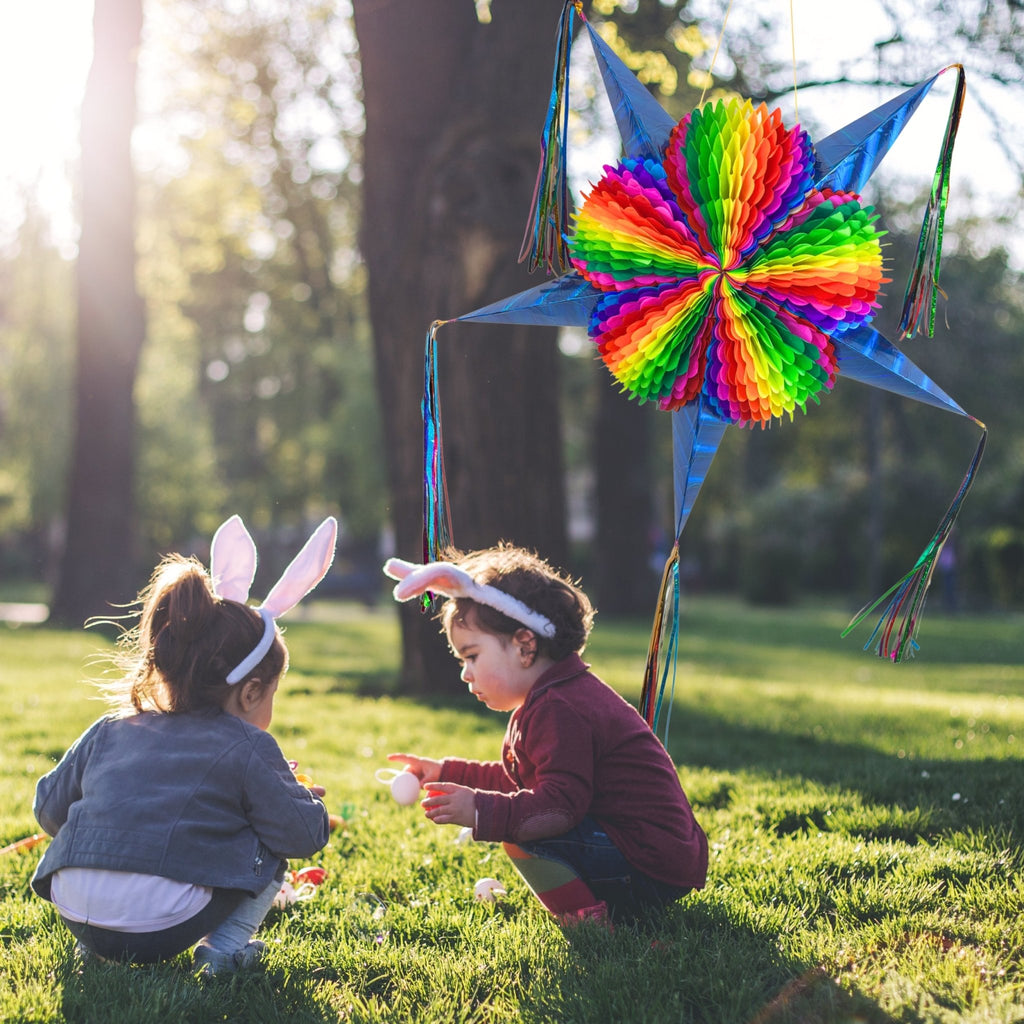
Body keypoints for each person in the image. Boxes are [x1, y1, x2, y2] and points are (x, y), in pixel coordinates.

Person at [31, 515, 337, 973]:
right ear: (251, 691)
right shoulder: (248, 744)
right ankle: (224, 950)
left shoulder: (111, 729)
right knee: (269, 839)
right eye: (271, 694)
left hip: (74, 909)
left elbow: (49, 810)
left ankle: (97, 945)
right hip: (165, 922)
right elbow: (298, 835)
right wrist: (299, 800)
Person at [383, 544, 708, 928]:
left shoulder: (561, 708)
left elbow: (559, 807)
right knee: (518, 814)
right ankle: (597, 904)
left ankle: (588, 922)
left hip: (648, 863)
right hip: (653, 855)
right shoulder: (551, 697)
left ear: (525, 646)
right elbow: (519, 780)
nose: (465, 674)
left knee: (520, 831)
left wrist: (481, 811)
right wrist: (444, 772)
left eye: (471, 656)